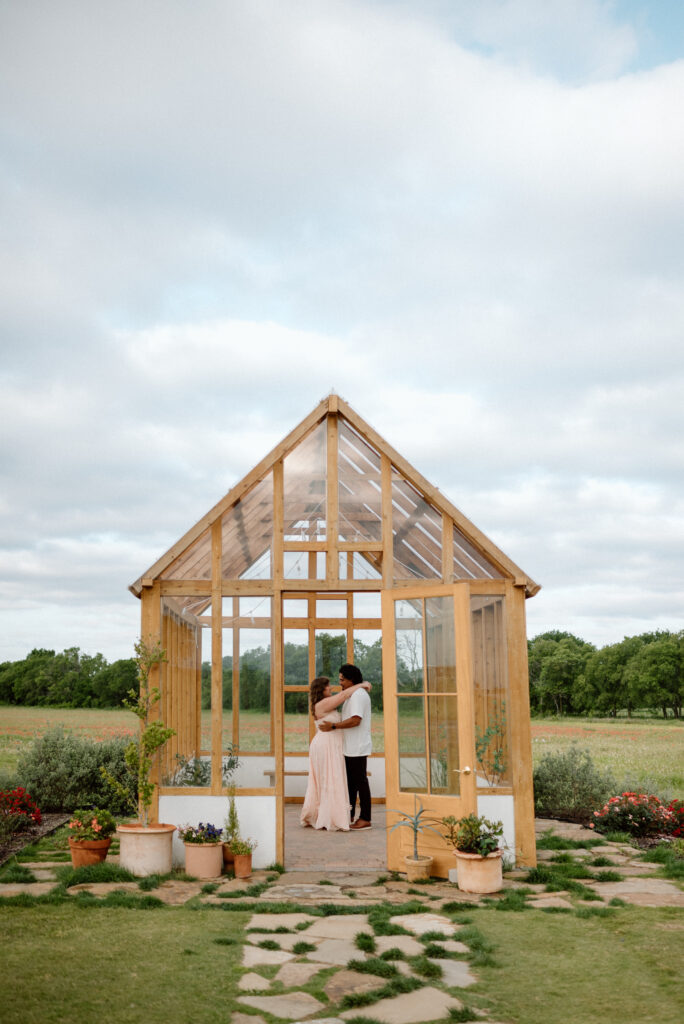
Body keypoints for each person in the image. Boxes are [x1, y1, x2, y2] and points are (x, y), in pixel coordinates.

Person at [300, 674, 371, 831]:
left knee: (331, 778)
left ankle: (331, 813)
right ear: (321, 689)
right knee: (329, 778)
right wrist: (362, 684)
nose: (331, 687)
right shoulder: (323, 704)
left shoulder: (324, 704)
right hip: (325, 745)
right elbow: (344, 694)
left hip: (329, 745)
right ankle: (330, 816)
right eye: (328, 686)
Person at [318, 663, 372, 830]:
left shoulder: (358, 696)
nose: (340, 683)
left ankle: (365, 818)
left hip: (357, 746)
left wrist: (333, 727)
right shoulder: (351, 695)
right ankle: (349, 815)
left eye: (342, 680)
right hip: (350, 747)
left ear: (351, 680)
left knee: (360, 782)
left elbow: (356, 720)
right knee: (351, 783)